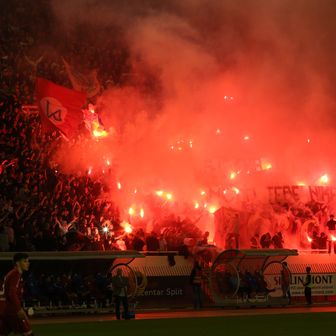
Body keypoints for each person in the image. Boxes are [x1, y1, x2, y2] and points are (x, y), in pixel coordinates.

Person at [0, 252, 33, 336]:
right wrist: (19, 309)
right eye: (25, 261)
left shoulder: (11, 273)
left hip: (5, 309)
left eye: (28, 261)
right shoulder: (16, 274)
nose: (28, 263)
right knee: (28, 332)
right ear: (18, 263)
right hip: (12, 310)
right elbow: (12, 293)